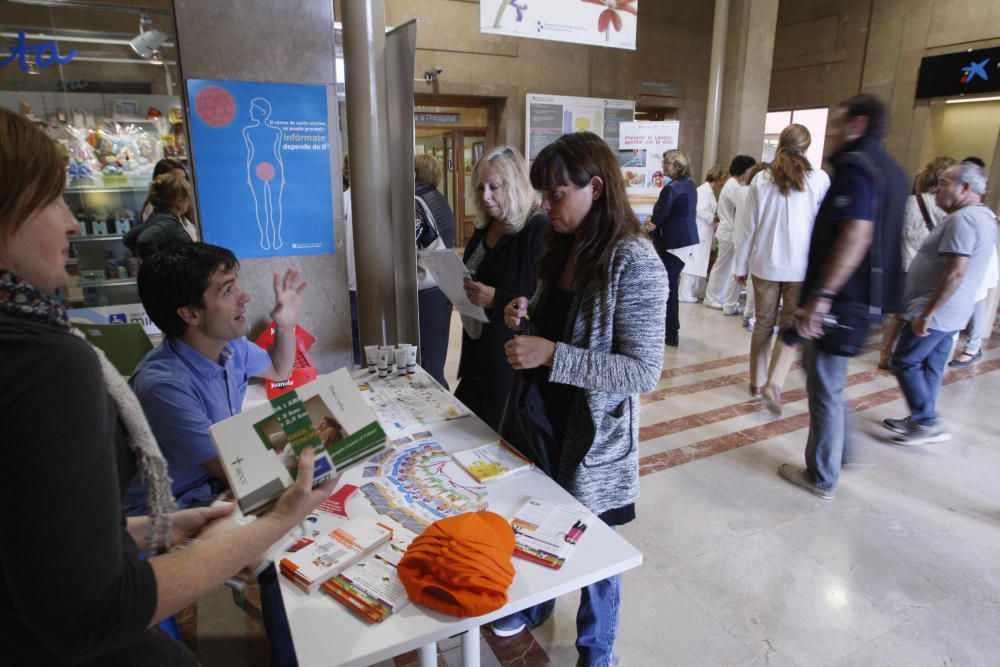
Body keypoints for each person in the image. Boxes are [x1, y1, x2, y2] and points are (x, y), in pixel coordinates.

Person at [0, 105, 332, 665]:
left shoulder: (227, 349)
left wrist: (288, 318)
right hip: (175, 513)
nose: (74, 223)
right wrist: (294, 490)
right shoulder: (131, 378)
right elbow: (236, 470)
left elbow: (276, 371)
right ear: (189, 312)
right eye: (228, 290)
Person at [493, 131, 667, 667]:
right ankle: (540, 605)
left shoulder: (634, 261)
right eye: (541, 194)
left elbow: (643, 371)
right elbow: (561, 321)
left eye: (555, 194)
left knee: (598, 550)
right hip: (545, 418)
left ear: (595, 187)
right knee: (542, 519)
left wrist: (550, 355)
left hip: (593, 434)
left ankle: (598, 650)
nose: (545, 206)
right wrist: (525, 312)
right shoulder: (564, 244)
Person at [777, 93, 908, 500]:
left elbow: (856, 233)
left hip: (842, 301)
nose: (830, 132)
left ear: (860, 125)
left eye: (837, 124)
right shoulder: (893, 171)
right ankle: (841, 451)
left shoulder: (855, 168)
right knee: (825, 378)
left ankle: (822, 474)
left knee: (825, 386)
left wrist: (822, 296)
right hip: (867, 300)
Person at [884, 162, 997, 445]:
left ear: (966, 188)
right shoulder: (981, 216)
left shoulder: (965, 220)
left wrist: (928, 312)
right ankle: (923, 416)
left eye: (944, 183)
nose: (937, 189)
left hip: (937, 310)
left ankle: (926, 421)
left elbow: (955, 271)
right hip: (952, 310)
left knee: (905, 361)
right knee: (932, 366)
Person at [733, 124, 830, 410]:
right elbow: (823, 228)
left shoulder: (761, 180)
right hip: (801, 267)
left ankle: (756, 381)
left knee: (762, 322)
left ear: (779, 145)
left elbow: (747, 228)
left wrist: (740, 265)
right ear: (807, 147)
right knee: (789, 325)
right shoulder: (819, 180)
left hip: (765, 263)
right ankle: (775, 382)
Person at [455, 146, 548, 430]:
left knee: (498, 434)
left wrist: (497, 299)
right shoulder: (487, 225)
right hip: (477, 347)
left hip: (508, 355)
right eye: (481, 187)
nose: (485, 196)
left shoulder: (537, 228)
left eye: (494, 187)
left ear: (517, 185)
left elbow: (542, 298)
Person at [879, 156, 955, 369]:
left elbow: (897, 231)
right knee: (919, 313)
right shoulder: (947, 208)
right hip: (929, 269)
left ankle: (886, 355)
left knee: (898, 315)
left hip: (905, 261)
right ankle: (908, 357)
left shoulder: (911, 201)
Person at [648, 149, 699, 346]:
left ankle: (670, 332)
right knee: (671, 286)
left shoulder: (671, 188)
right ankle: (670, 330)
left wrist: (648, 226)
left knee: (668, 288)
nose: (663, 167)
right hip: (684, 242)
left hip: (672, 244)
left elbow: (659, 217)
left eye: (666, 163)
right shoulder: (690, 184)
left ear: (676, 166)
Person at [414, 153, 456, 387]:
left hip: (427, 288)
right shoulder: (440, 200)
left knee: (427, 365)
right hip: (443, 284)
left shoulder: (416, 204)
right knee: (436, 359)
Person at [704, 155, 756, 314]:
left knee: (724, 266)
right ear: (744, 170)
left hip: (728, 230)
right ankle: (712, 297)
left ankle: (716, 297)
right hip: (728, 231)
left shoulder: (734, 185)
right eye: (750, 170)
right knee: (722, 266)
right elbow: (741, 208)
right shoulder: (734, 187)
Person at [678, 164, 726, 303]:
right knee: (692, 263)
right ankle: (684, 293)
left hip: (704, 232)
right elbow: (699, 210)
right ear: (717, 178)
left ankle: (695, 290)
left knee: (699, 264)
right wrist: (713, 217)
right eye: (722, 180)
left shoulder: (708, 191)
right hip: (699, 231)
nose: (722, 183)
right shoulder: (703, 191)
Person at [123, 171, 195, 258]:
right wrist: (157, 265)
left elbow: (128, 238)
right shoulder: (169, 223)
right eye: (188, 199)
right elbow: (145, 240)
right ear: (179, 202)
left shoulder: (156, 215)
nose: (190, 203)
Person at [141, 158, 199, 242]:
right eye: (176, 180)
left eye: (183, 178)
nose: (182, 184)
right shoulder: (157, 213)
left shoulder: (177, 209)